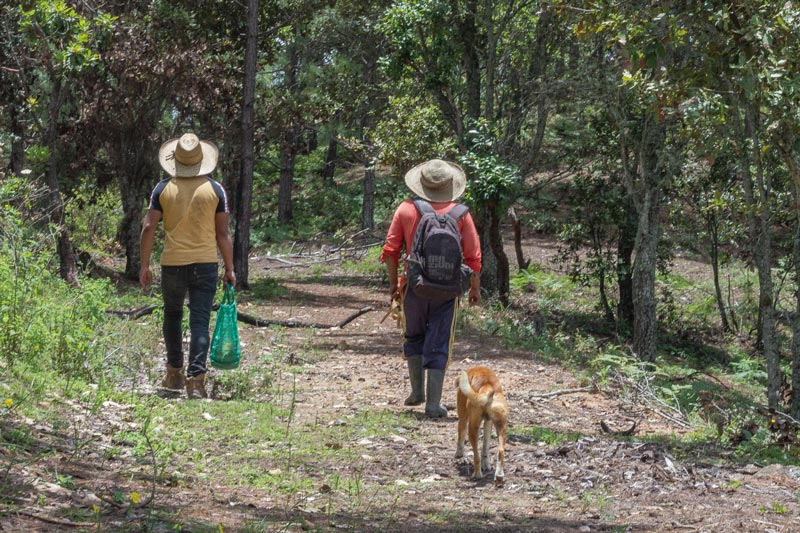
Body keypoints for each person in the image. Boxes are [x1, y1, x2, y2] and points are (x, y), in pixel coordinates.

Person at [381, 159, 481, 418]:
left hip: (413, 287)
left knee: (413, 335)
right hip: (448, 292)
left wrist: (394, 284)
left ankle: (417, 392)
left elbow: (390, 251)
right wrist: (474, 288)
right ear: (450, 186)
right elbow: (473, 258)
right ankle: (433, 404)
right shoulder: (461, 214)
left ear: (421, 184)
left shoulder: (405, 210)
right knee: (439, 342)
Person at [139, 133, 236, 399]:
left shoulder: (162, 189)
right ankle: (196, 381)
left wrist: (144, 265)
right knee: (200, 321)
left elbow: (149, 227)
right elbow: (223, 234)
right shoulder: (216, 190)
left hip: (172, 264)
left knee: (172, 316)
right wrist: (229, 269)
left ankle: (173, 374)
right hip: (205, 263)